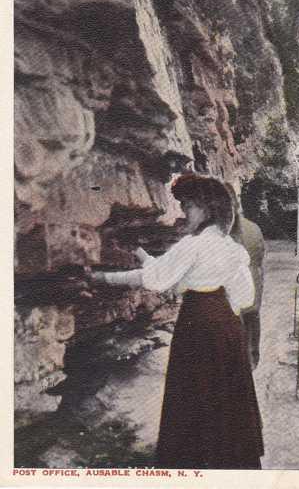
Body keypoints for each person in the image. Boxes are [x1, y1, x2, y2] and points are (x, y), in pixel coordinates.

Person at [86, 173, 264, 470]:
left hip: (198, 323)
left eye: (189, 207)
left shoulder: (192, 245)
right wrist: (142, 253)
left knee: (193, 389)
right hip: (226, 324)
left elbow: (155, 279)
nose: (184, 214)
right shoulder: (232, 249)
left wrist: (104, 277)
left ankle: (193, 458)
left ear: (206, 209)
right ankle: (228, 457)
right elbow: (245, 297)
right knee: (224, 391)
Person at [227, 185, 265, 370]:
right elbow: (260, 258)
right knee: (252, 318)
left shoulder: (225, 232)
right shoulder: (254, 228)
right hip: (255, 282)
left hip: (237, 287)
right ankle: (252, 359)